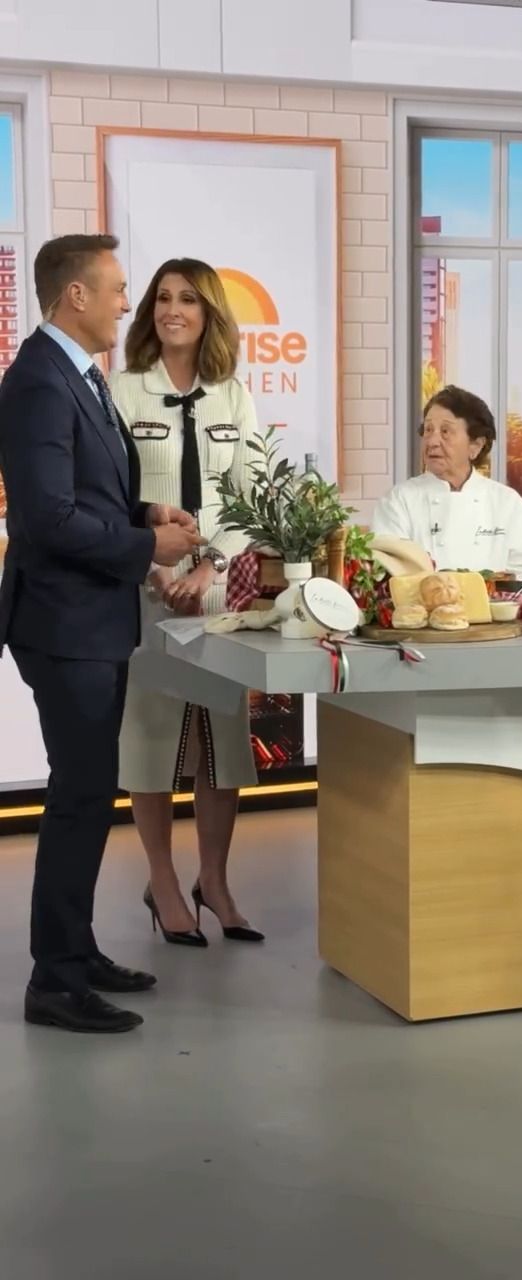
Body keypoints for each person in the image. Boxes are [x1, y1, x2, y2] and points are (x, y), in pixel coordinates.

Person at [0, 234, 203, 1034]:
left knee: (88, 793)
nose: (128, 302)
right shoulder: (39, 383)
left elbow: (88, 490)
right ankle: (53, 981)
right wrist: (147, 545)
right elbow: (48, 519)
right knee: (79, 795)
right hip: (64, 622)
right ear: (75, 296)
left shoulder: (77, 376)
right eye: (117, 289)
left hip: (92, 619)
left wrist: (145, 510)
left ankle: (75, 952)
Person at [109, 258, 263, 949]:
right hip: (145, 593)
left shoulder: (233, 396)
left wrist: (208, 565)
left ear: (209, 314)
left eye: (189, 300)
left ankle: (215, 882)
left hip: (214, 595)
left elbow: (250, 498)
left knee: (220, 742)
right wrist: (154, 561)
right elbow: (111, 495)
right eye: (163, 297)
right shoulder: (123, 391)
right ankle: (164, 882)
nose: (174, 309)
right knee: (149, 739)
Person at [372, 384, 522, 576]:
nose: (432, 441)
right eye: (428, 430)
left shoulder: (509, 504)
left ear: (476, 445)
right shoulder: (398, 501)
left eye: (445, 431)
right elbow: (388, 575)